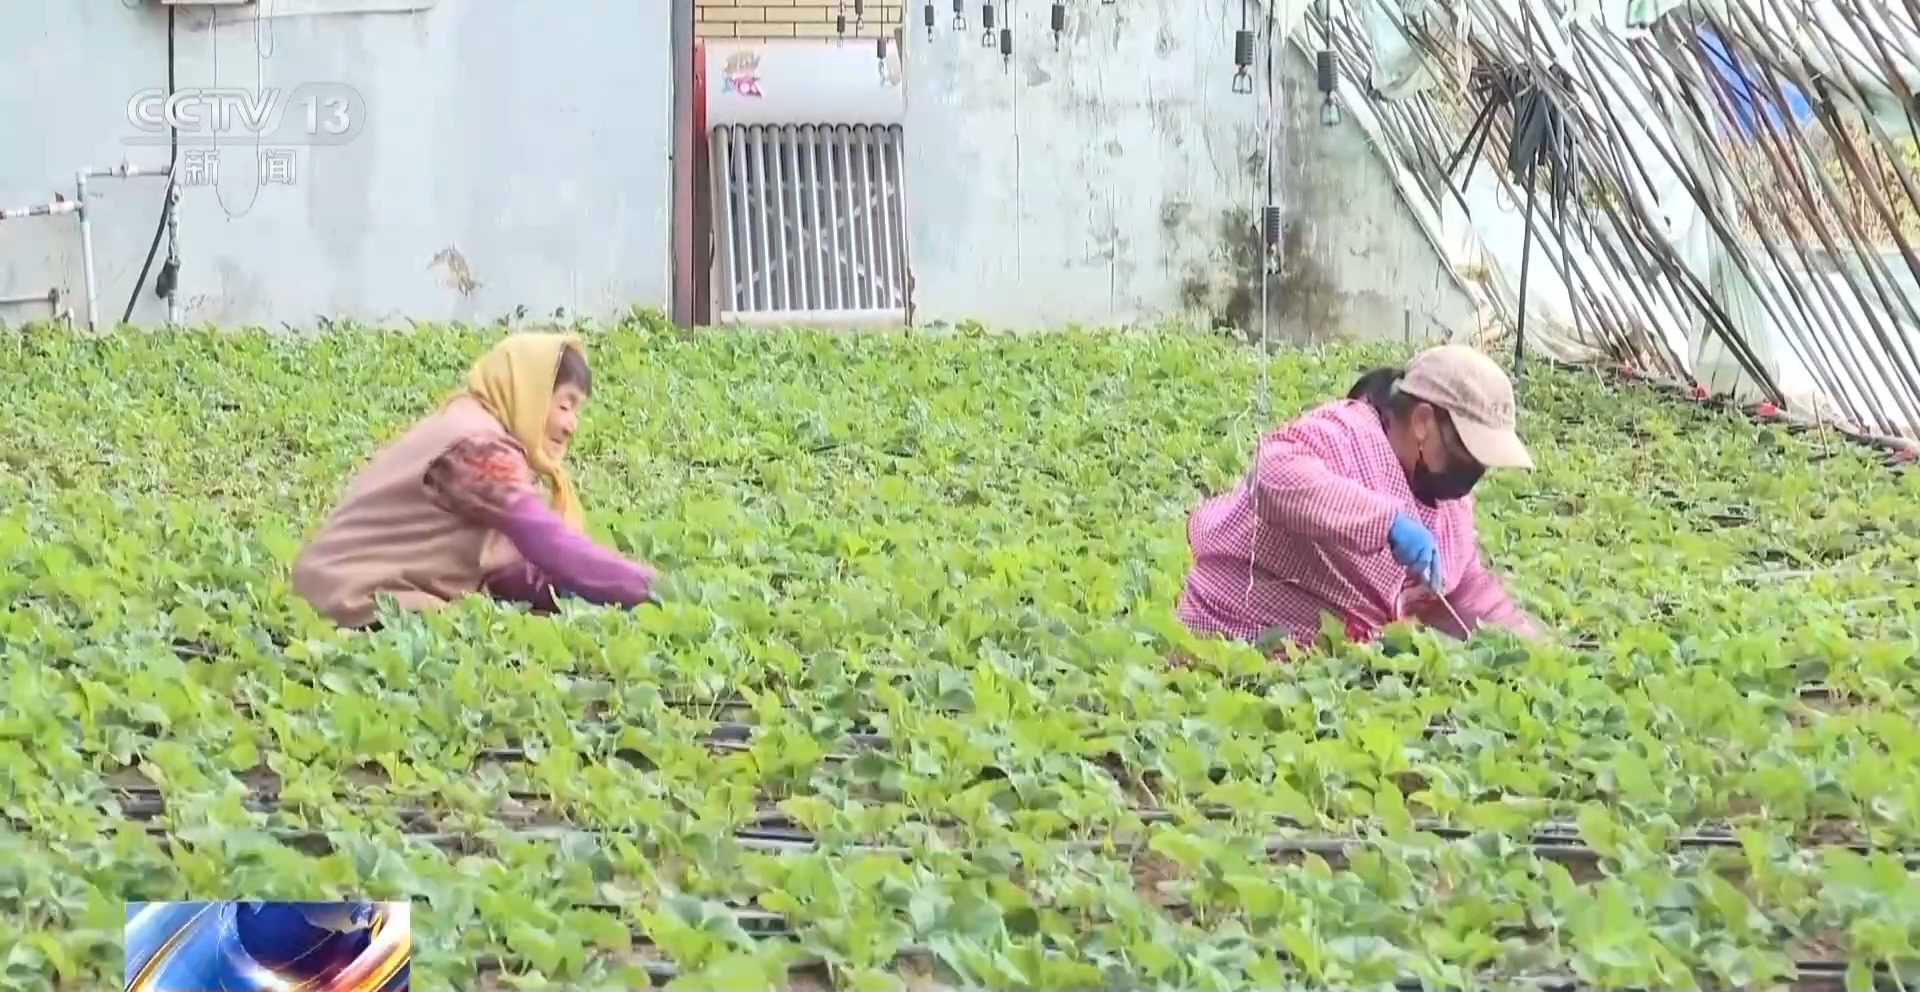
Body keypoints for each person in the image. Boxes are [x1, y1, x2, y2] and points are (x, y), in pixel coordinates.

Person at [1176, 343, 1544, 647]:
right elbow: (1274, 475)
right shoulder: (1347, 434)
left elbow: (1464, 591)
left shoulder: (1451, 509)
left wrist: (1527, 646)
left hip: (1327, 672)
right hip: (1230, 641)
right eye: (1468, 451)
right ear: (1423, 422)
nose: (1476, 468)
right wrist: (1385, 523)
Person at [291, 331, 659, 629]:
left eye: (577, 410)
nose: (570, 425)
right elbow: (548, 543)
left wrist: (585, 594)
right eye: (564, 404)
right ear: (529, 391)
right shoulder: (480, 448)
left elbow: (507, 572)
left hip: (340, 593)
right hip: (356, 602)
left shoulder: (469, 424)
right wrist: (650, 589)